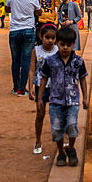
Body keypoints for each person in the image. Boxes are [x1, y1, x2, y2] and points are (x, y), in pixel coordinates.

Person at [35, 25, 88, 168]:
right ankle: (60, 152)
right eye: (62, 44)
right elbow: (44, 78)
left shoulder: (78, 61)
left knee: (72, 126)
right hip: (56, 100)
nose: (65, 48)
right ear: (57, 43)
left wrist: (85, 97)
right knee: (57, 129)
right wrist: (40, 98)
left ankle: (70, 147)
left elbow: (82, 78)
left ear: (73, 44)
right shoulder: (51, 61)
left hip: (73, 100)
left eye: (68, 45)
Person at [6, 0, 42, 96]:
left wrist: (16, 11)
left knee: (15, 60)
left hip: (15, 30)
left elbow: (7, 9)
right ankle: (22, 89)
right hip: (28, 30)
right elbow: (39, 12)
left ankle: (15, 87)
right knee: (26, 60)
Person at [27, 22, 58, 155]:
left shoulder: (58, 50)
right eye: (47, 38)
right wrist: (30, 87)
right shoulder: (36, 50)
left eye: (53, 38)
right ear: (41, 37)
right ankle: (38, 140)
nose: (50, 41)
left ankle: (61, 138)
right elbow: (32, 69)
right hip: (41, 86)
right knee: (40, 113)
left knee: (57, 113)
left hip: (56, 86)